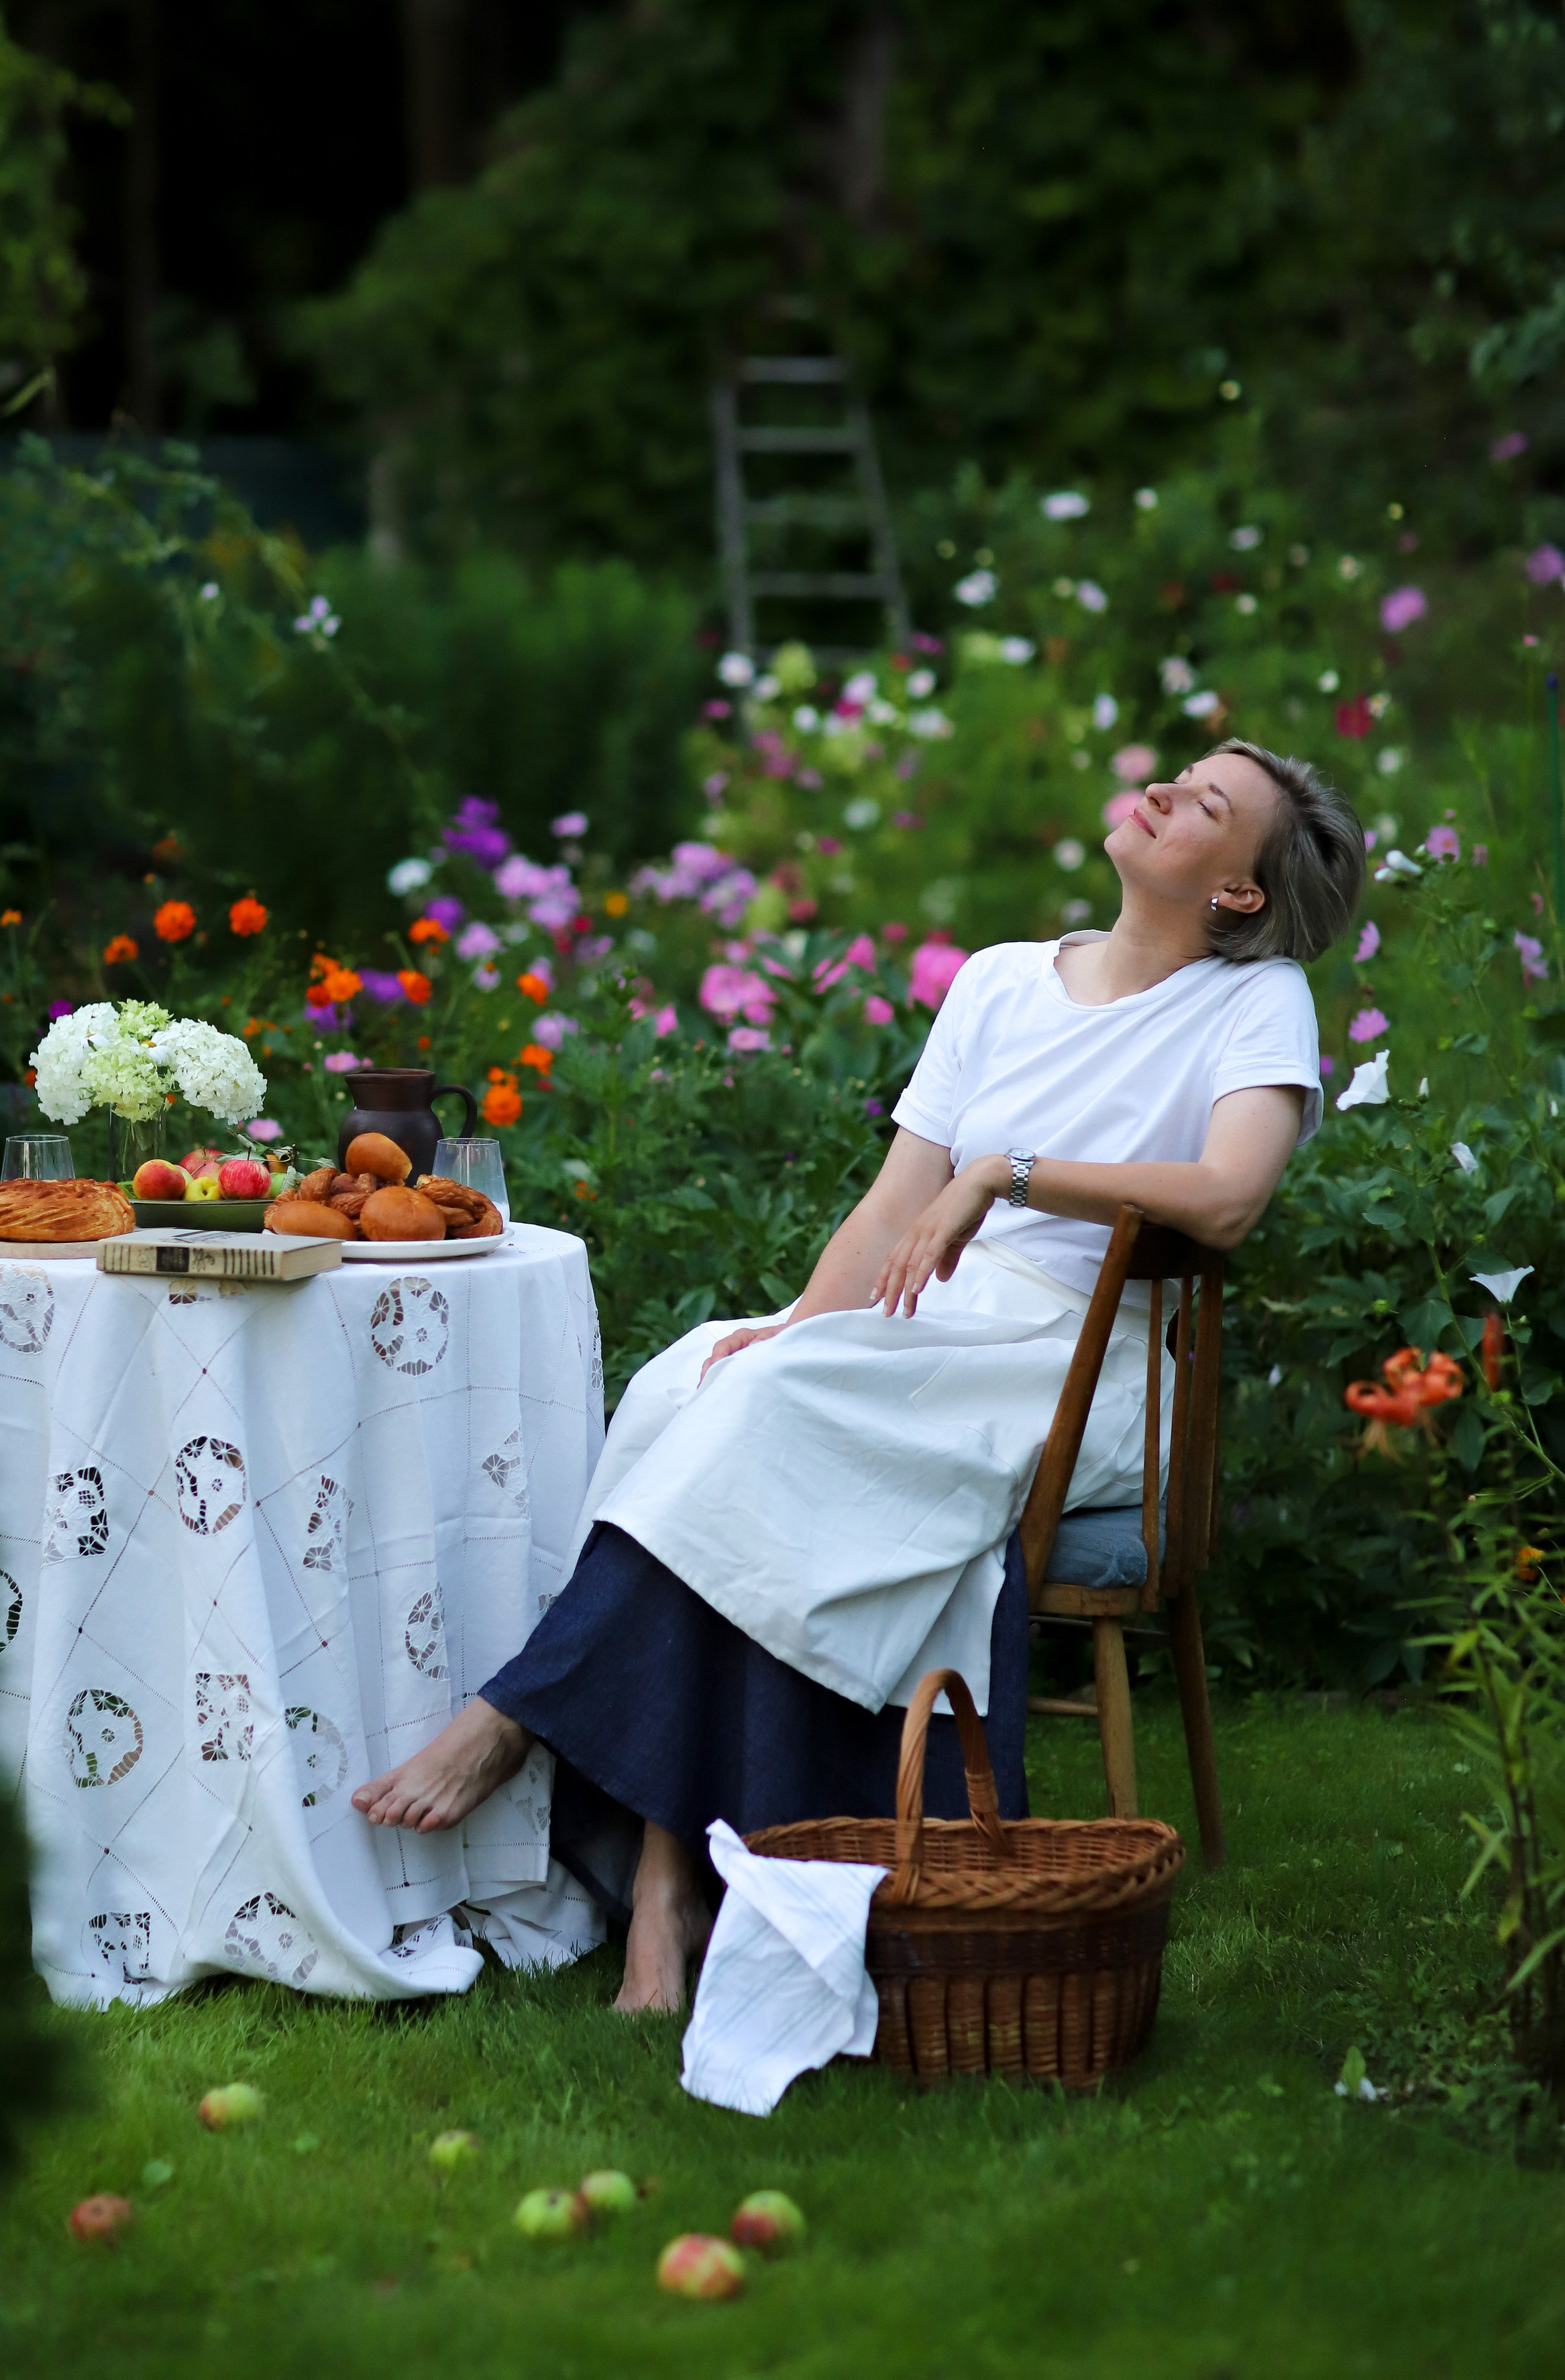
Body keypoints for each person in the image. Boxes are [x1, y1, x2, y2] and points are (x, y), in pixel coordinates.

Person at [354, 740, 1364, 2010]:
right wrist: (792, 1330)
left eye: (1206, 805)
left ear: (1239, 894)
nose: (1162, 792)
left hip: (1075, 1361)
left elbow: (1228, 1197)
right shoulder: (1002, 980)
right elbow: (894, 1208)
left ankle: (522, 1719)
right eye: (1178, 776)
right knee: (702, 1383)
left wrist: (1009, 1174)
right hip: (926, 1323)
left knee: (774, 1420)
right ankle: (667, 1892)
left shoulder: (1251, 1000)